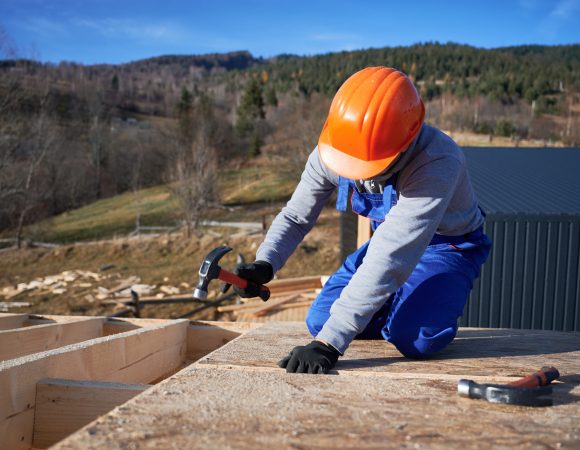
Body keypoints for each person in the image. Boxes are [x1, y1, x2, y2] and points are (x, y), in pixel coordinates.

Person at [234, 66, 491, 374]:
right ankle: (393, 307)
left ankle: (404, 315)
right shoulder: (334, 147)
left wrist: (330, 343)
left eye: (367, 166)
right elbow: (296, 216)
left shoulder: (437, 160)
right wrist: (266, 262)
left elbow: (393, 254)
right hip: (386, 241)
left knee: (417, 339)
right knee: (320, 319)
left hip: (447, 247)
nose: (354, 173)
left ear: (406, 142)